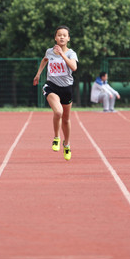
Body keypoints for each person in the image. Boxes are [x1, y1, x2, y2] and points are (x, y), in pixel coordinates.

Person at [32, 26, 78, 161]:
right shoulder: (49, 52)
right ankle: (56, 137)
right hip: (52, 86)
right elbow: (44, 60)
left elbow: (74, 67)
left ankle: (67, 144)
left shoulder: (71, 54)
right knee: (58, 112)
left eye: (64, 35)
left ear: (68, 38)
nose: (62, 37)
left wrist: (62, 54)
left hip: (66, 88)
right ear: (55, 38)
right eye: (59, 35)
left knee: (66, 119)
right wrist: (38, 74)